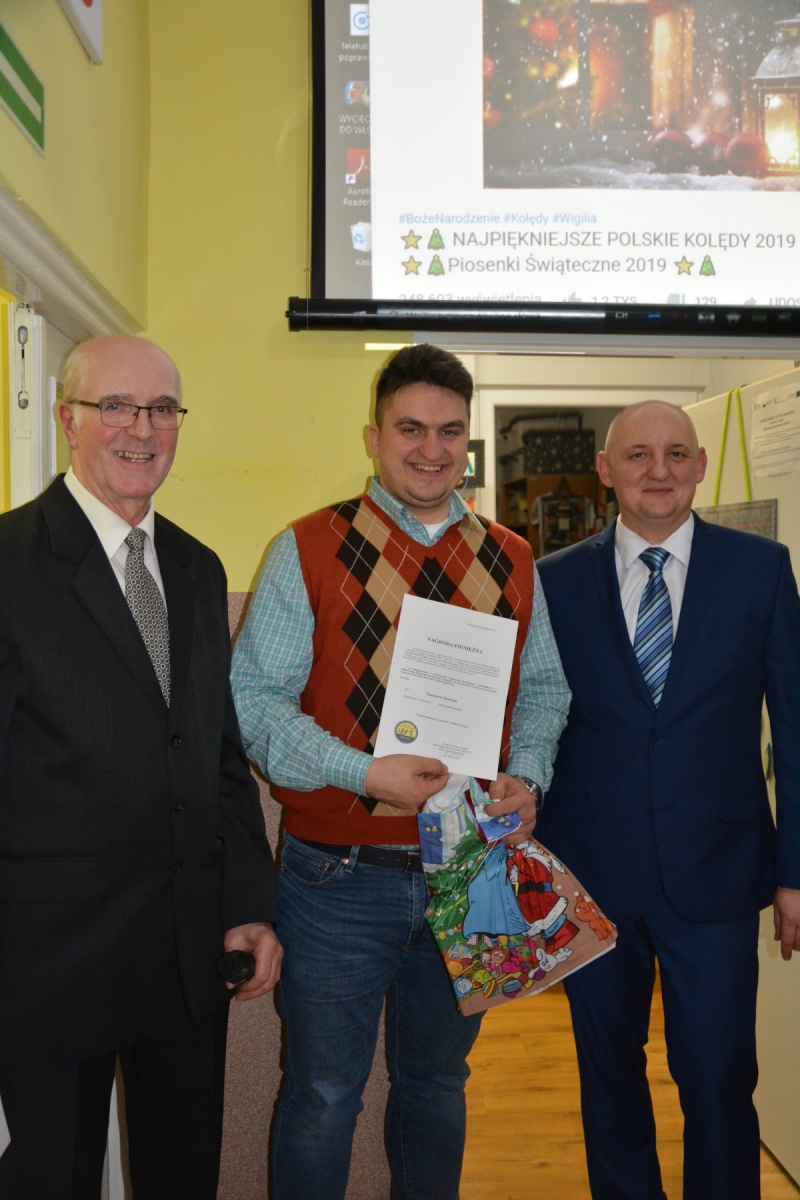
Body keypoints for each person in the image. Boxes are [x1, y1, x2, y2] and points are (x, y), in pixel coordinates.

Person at [231, 342, 570, 1200]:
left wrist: (527, 775)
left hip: (470, 867)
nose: (431, 448)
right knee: (322, 1097)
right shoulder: (305, 546)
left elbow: (543, 690)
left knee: (439, 1086)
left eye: (450, 431)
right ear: (374, 437)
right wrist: (363, 773)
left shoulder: (512, 556)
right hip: (337, 876)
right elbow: (255, 703)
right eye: (410, 428)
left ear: (468, 443)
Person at [0, 335, 282, 1200]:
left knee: (183, 1177)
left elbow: (218, 753)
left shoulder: (196, 567)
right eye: (115, 406)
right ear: (67, 419)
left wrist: (247, 905)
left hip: (186, 958)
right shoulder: (8, 562)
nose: (142, 429)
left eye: (162, 409)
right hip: (48, 962)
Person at [536, 400, 800, 1200]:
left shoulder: (761, 569)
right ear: (606, 469)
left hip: (719, 874)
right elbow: (533, 719)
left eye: (677, 454)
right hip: (591, 878)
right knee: (609, 1080)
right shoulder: (552, 581)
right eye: (639, 455)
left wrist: (795, 873)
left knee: (719, 1078)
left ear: (700, 466)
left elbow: (794, 728)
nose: (659, 471)